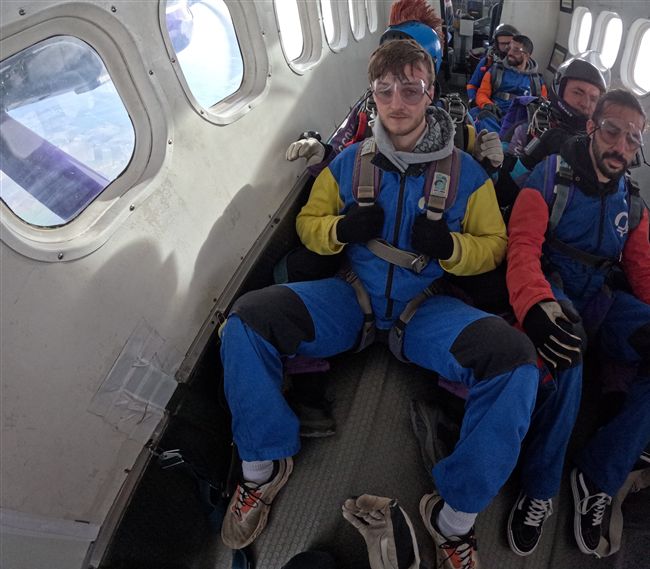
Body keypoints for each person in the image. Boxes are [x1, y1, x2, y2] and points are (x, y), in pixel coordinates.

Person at [219, 40, 543, 568]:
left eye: (411, 90)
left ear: (430, 94)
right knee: (245, 321)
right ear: (373, 94)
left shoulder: (466, 174)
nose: (397, 102)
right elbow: (308, 224)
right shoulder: (349, 163)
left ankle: (453, 518)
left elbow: (495, 246)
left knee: (516, 362)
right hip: (352, 297)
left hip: (425, 309)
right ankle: (262, 467)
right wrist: (341, 229)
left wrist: (451, 248)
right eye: (385, 90)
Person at [506, 88, 650, 557]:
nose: (621, 147)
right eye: (612, 131)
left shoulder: (632, 201)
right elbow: (522, 248)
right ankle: (539, 487)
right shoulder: (550, 177)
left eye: (633, 139)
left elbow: (643, 273)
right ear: (591, 127)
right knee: (566, 356)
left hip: (602, 300)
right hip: (554, 286)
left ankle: (597, 476)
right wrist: (534, 306)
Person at [496, 56, 607, 216]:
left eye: (594, 98)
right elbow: (500, 194)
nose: (585, 103)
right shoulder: (526, 129)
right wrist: (531, 157)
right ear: (559, 90)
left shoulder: (601, 142)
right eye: (578, 92)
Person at [474, 35, 547, 133]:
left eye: (516, 50)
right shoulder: (496, 71)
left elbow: (542, 105)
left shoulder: (537, 81)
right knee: (482, 118)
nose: (510, 53)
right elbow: (482, 93)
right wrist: (487, 104)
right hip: (495, 114)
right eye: (509, 49)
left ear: (527, 55)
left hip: (520, 120)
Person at [466, 23, 519, 104]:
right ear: (496, 44)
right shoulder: (487, 62)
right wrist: (474, 100)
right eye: (503, 43)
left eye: (509, 43)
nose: (507, 47)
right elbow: (472, 85)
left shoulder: (526, 65)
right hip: (491, 105)